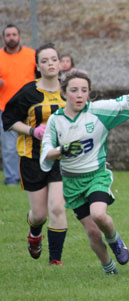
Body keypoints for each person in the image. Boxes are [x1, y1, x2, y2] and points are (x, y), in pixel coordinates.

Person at [40, 69, 129, 274]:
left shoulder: (98, 111)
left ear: (89, 93)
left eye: (84, 90)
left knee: (99, 215)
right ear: (64, 93)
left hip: (96, 175)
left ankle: (115, 241)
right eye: (74, 90)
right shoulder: (55, 120)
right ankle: (108, 268)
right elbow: (46, 153)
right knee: (93, 233)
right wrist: (62, 150)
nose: (79, 95)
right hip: (72, 183)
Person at [2, 43, 66, 265]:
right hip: (33, 158)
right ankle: (34, 234)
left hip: (60, 159)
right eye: (45, 61)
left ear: (60, 63)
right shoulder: (28, 92)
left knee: (57, 207)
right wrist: (32, 131)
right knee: (39, 214)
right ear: (38, 66)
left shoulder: (70, 90)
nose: (50, 64)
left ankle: (55, 261)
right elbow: (8, 121)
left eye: (53, 59)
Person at [0, 24, 36, 186]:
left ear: (20, 37)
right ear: (4, 38)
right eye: (8, 35)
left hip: (30, 109)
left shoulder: (32, 56)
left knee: (33, 143)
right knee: (9, 148)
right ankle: (12, 179)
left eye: (14, 34)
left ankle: (33, 177)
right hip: (5, 108)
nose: (11, 37)